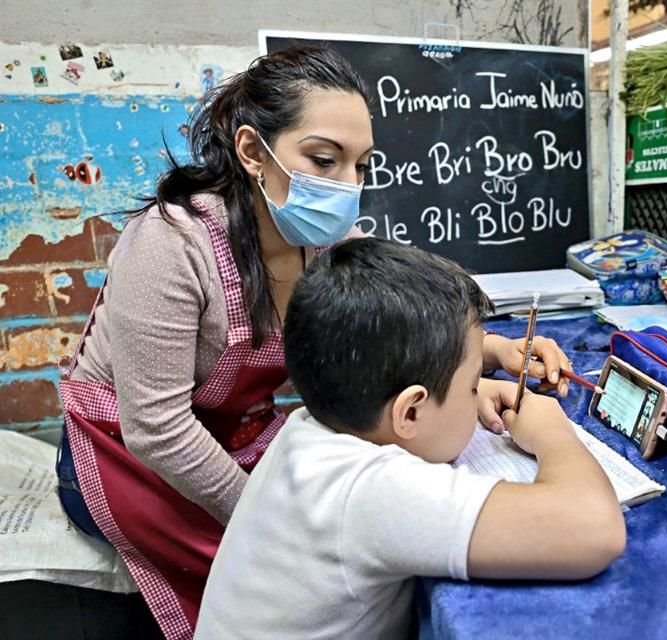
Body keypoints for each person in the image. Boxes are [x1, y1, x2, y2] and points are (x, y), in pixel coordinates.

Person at [55, 44, 571, 640]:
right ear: (253, 151)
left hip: (238, 433)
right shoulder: (171, 246)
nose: (348, 186)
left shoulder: (325, 241)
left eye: (361, 165)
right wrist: (269, 516)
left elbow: (383, 334)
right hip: (128, 457)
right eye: (324, 160)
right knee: (283, 569)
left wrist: (491, 352)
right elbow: (158, 428)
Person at [195, 237, 627, 639]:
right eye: (473, 384)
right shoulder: (367, 492)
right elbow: (595, 529)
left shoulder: (312, 426)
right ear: (411, 411)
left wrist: (460, 398)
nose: (478, 394)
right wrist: (554, 434)